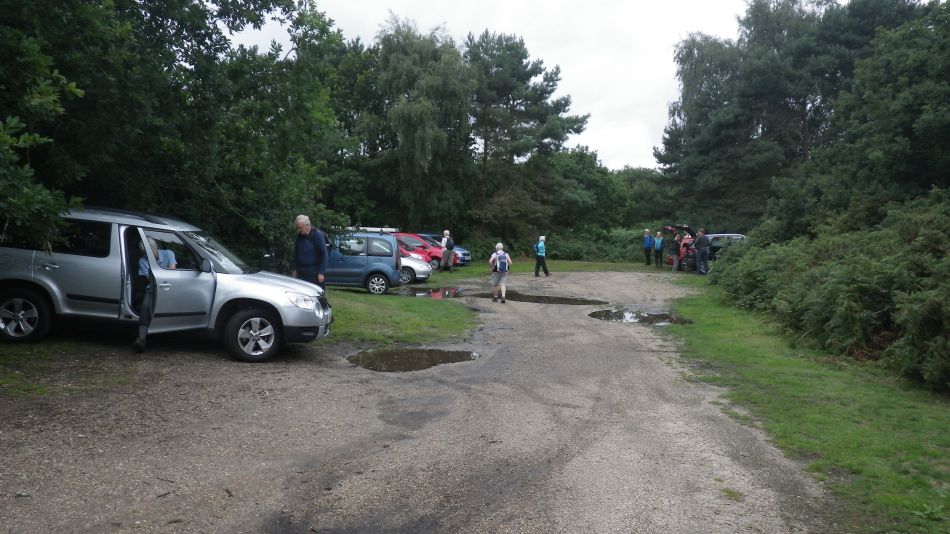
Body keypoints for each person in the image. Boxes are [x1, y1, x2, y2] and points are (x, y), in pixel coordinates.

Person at [132, 238, 176, 352]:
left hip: (171, 287)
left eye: (150, 252)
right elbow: (150, 280)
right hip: (152, 288)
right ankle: (141, 339)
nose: (148, 255)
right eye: (145, 253)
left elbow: (173, 272)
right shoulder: (142, 261)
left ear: (155, 248)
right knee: (146, 306)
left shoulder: (169, 253)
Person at [291, 214, 328, 289]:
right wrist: (295, 269)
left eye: (300, 228)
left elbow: (324, 254)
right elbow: (296, 253)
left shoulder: (317, 234)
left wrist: (321, 273)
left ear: (307, 225)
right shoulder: (300, 236)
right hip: (301, 273)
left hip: (314, 274)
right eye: (297, 228)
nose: (298, 230)